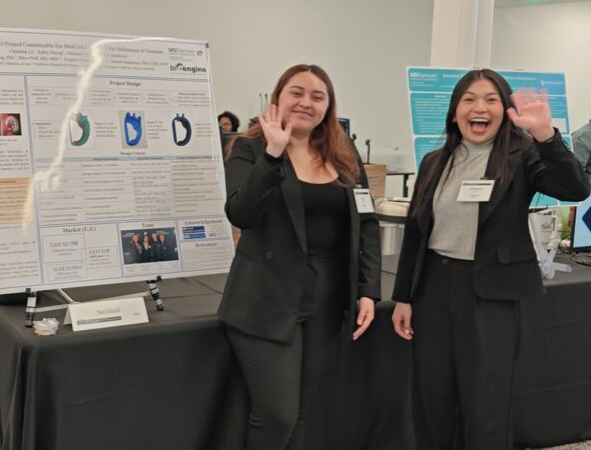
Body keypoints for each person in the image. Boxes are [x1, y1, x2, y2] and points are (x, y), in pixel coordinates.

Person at [391, 69, 590, 450]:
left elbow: (575, 188)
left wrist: (546, 136)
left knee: (486, 401)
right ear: (454, 112)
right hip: (434, 288)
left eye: (490, 99)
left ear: (505, 110)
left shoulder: (523, 155)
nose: (478, 108)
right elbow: (417, 233)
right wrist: (404, 296)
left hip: (491, 294)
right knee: (432, 396)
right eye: (469, 99)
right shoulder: (435, 161)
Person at [219, 64, 381, 450]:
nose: (306, 102)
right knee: (277, 415)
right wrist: (273, 155)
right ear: (278, 98)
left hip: (327, 296)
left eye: (317, 96)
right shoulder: (250, 147)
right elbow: (241, 214)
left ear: (328, 106)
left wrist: (368, 290)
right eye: (297, 92)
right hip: (266, 297)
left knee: (302, 411)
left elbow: (367, 223)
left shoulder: (343, 153)